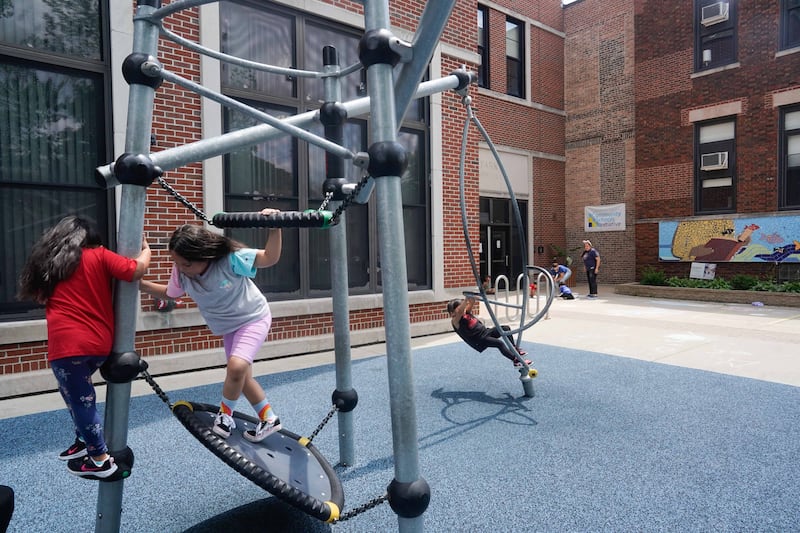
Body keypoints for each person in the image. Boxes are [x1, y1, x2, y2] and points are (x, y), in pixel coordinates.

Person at [17, 216, 152, 479]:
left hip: (67, 346)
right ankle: (83, 441)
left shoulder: (53, 266)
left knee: (80, 401)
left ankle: (100, 459)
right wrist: (147, 251)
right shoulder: (100, 256)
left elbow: (40, 296)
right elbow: (135, 270)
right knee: (77, 398)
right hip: (100, 343)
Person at [139, 211, 283, 443]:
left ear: (204, 255)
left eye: (186, 263)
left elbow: (269, 258)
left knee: (235, 368)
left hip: (253, 318)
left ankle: (225, 417)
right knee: (242, 378)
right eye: (176, 262)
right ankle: (269, 418)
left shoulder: (229, 259)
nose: (180, 268)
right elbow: (169, 294)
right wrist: (141, 285)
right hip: (229, 326)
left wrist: (275, 227)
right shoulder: (182, 272)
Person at [447, 297, 531, 367]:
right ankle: (516, 360)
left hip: (486, 332)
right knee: (499, 343)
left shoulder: (466, 313)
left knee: (505, 328)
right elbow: (460, 311)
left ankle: (514, 349)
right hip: (479, 340)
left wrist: (472, 297)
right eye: (458, 309)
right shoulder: (455, 321)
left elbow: (471, 302)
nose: (462, 310)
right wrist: (465, 300)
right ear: (452, 313)